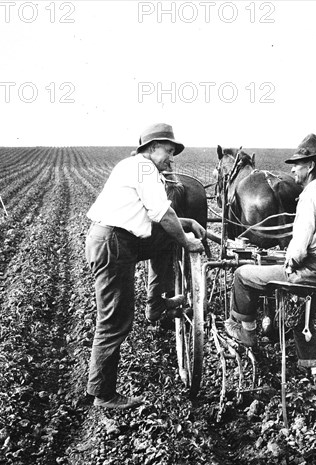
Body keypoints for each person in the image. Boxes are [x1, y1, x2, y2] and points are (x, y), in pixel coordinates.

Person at [85, 123, 205, 409]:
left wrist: (186, 224)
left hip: (117, 240)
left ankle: (156, 304)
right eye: (168, 150)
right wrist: (188, 243)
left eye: (173, 152)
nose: (170, 157)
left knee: (166, 240)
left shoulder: (135, 166)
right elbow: (162, 212)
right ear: (152, 148)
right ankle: (104, 394)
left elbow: (160, 217)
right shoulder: (145, 169)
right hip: (114, 245)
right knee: (115, 320)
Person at [224, 134, 316, 397]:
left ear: (311, 167)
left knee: (243, 274)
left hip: (307, 275)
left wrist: (290, 261)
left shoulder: (309, 197)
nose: (292, 169)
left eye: (298, 164)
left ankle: (246, 331)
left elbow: (299, 248)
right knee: (298, 319)